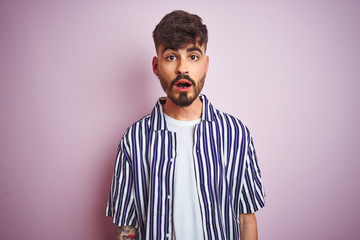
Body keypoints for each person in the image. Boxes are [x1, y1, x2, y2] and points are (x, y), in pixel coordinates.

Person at [106, 10, 265, 240]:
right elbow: (126, 229)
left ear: (206, 64)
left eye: (193, 56)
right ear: (156, 66)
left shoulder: (236, 134)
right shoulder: (134, 140)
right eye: (171, 56)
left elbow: (246, 219)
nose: (182, 68)